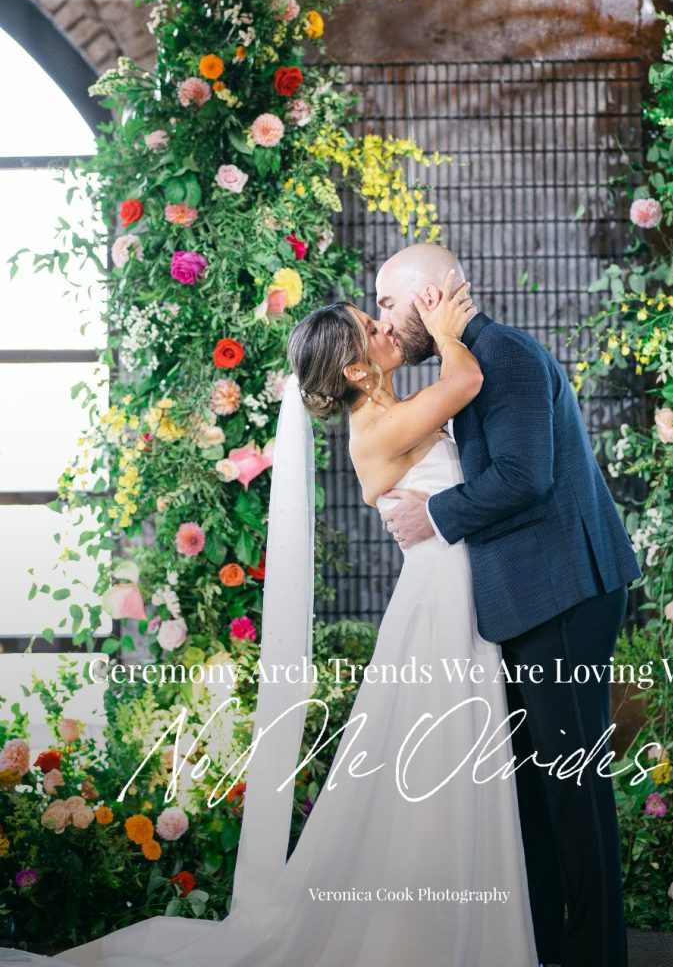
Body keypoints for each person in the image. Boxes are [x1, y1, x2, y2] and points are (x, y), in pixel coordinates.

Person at [2, 272, 539, 967]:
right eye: (372, 327)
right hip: (438, 604)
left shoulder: (395, 410)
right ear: (355, 370)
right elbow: (465, 381)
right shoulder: (378, 427)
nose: (386, 328)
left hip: (452, 592)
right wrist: (444, 331)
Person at [376, 243, 644, 967]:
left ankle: (596, 955)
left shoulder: (508, 357)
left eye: (388, 302)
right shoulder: (472, 362)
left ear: (431, 297)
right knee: (534, 786)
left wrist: (434, 515)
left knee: (572, 785)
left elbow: (526, 477)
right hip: (532, 599)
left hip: (564, 595)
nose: (383, 319)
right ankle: (544, 944)